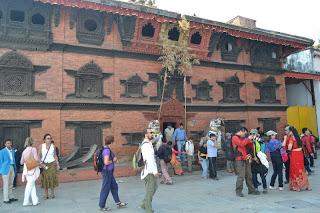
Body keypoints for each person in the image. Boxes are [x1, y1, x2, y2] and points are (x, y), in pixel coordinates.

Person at [99, 136, 127, 211]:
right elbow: (106, 162)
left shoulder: (106, 148)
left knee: (114, 186)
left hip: (109, 172)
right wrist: (113, 161)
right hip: (107, 172)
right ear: (111, 142)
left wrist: (114, 159)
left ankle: (118, 202)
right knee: (105, 189)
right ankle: (102, 206)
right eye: (113, 141)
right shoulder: (106, 151)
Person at [232, 127, 259, 197]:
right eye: (245, 134)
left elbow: (247, 146)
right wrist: (248, 138)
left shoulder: (242, 138)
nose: (245, 135)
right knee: (241, 176)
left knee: (249, 175)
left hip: (246, 158)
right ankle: (238, 191)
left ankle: (251, 190)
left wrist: (252, 141)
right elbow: (241, 144)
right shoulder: (234, 137)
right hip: (239, 160)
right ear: (241, 131)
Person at [141, 128, 160, 213]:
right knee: (150, 190)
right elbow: (149, 160)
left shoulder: (148, 143)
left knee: (154, 187)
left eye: (152, 132)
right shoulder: (146, 145)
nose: (152, 134)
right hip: (149, 171)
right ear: (146, 134)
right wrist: (155, 171)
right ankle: (148, 208)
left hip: (150, 170)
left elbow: (152, 159)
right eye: (150, 132)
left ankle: (144, 203)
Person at [287, 126, 311, 191]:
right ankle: (306, 185)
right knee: (301, 168)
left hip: (294, 154)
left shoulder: (291, 138)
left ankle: (297, 186)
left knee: (295, 169)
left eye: (289, 131)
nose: (288, 132)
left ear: (291, 131)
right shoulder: (298, 138)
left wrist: (288, 151)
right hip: (300, 154)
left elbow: (289, 147)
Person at [20, 137, 40, 206]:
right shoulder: (33, 149)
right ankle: (25, 202)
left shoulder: (24, 151)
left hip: (26, 169)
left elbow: (21, 162)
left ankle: (35, 201)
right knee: (29, 186)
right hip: (32, 169)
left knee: (32, 185)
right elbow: (36, 159)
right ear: (32, 142)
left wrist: (27, 160)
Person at [38, 134, 59, 199]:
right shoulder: (41, 146)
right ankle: (46, 194)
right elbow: (39, 156)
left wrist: (57, 164)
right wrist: (41, 164)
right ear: (44, 140)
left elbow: (55, 155)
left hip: (52, 164)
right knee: (45, 179)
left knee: (52, 178)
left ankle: (52, 193)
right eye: (47, 138)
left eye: (50, 138)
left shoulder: (53, 146)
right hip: (44, 164)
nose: (49, 140)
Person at [0, 139, 18, 204]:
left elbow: (14, 160)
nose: (9, 144)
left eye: (10, 143)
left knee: (11, 184)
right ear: (5, 144)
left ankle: (10, 197)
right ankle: (6, 199)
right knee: (6, 184)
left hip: (12, 167)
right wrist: (1, 170)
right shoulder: (2, 151)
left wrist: (15, 168)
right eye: (7, 143)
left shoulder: (12, 151)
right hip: (5, 169)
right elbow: (0, 162)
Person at [250, 129, 267, 194]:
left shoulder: (250, 140)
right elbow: (262, 149)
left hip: (253, 159)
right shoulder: (258, 141)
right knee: (261, 174)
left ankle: (256, 188)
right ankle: (264, 188)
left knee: (254, 175)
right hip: (258, 158)